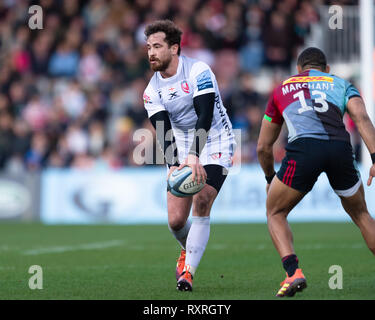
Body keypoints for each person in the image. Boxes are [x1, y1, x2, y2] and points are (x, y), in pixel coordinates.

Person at [257, 47, 375, 297]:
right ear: (327, 69)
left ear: (299, 70)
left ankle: (293, 273)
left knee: (275, 211)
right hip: (340, 149)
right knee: (362, 214)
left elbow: (263, 147)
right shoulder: (341, 83)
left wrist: (270, 178)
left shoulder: (282, 88)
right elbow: (362, 118)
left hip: (304, 150)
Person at [142, 20, 236, 291]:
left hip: (216, 138)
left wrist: (195, 155)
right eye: (148, 47)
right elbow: (163, 129)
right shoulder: (151, 91)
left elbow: (205, 114)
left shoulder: (198, 70)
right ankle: (187, 249)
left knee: (203, 199)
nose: (151, 53)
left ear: (174, 48)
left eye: (157, 46)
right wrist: (173, 163)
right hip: (182, 145)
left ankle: (188, 273)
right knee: (175, 221)